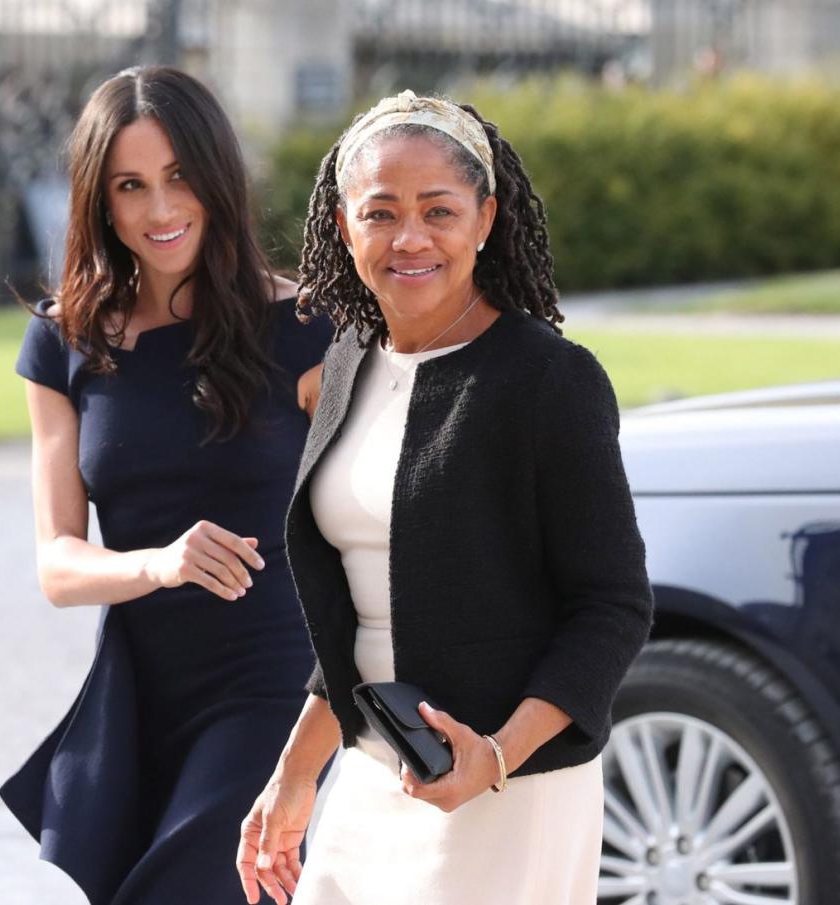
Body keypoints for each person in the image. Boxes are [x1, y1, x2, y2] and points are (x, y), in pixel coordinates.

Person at [236, 90, 654, 905]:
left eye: (439, 210)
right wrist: (294, 775)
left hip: (507, 786)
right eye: (381, 212)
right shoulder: (349, 364)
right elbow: (361, 614)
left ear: (486, 217)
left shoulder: (548, 381)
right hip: (371, 775)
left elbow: (613, 606)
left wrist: (496, 754)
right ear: (344, 226)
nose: (411, 238)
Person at [0, 66, 332, 905]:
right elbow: (58, 565)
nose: (159, 209)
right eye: (130, 185)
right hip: (141, 692)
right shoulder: (62, 345)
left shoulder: (305, 331)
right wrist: (159, 563)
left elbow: (372, 524)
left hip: (274, 683)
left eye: (180, 177)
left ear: (217, 177)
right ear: (99, 201)